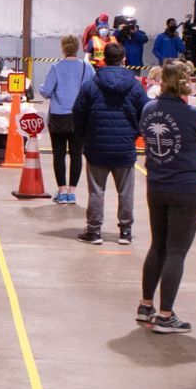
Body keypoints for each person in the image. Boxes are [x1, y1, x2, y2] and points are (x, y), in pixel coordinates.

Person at [137, 60, 196, 333]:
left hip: (157, 184)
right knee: (176, 251)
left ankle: (146, 304)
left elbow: (144, 134)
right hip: (185, 187)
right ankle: (165, 315)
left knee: (158, 246)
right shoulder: (192, 115)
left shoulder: (149, 109)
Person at [72, 41, 148, 247]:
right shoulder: (135, 85)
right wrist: (136, 132)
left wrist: (85, 136)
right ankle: (125, 231)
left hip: (97, 146)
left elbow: (78, 113)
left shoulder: (91, 85)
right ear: (124, 60)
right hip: (125, 147)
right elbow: (146, 110)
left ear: (103, 59)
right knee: (126, 191)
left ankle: (94, 231)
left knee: (97, 190)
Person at [38, 34, 92, 206]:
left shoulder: (56, 67)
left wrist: (42, 89)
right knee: (77, 154)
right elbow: (92, 90)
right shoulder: (87, 67)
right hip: (79, 116)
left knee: (59, 154)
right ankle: (72, 192)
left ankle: (61, 190)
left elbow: (46, 92)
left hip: (59, 116)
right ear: (78, 48)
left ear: (63, 48)